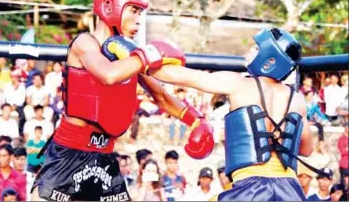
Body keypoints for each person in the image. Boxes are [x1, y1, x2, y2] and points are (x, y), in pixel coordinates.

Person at [31, 0, 214, 201]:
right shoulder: (85, 43)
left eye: (141, 12)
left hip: (104, 157)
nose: (138, 19)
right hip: (68, 154)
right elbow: (109, 74)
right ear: (110, 6)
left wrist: (195, 119)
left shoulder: (131, 55)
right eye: (134, 10)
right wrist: (149, 54)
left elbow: (160, 95)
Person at [131, 27, 315, 200]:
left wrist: (135, 57)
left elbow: (182, 77)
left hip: (250, 188)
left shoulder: (238, 83)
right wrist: (280, 140)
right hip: (291, 190)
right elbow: (306, 149)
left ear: (270, 60)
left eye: (256, 48)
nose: (249, 51)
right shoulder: (298, 99)